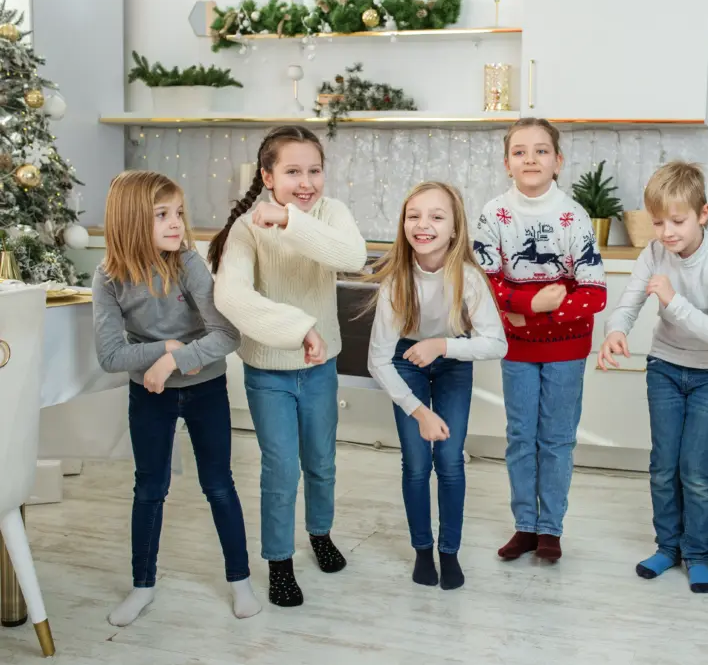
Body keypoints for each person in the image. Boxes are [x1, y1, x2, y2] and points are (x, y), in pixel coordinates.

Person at [208, 125, 367, 607]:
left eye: (314, 170)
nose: (306, 182)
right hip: (268, 370)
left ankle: (320, 533)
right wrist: (299, 328)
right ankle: (279, 561)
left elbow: (352, 256)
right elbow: (231, 295)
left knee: (321, 462)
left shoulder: (331, 213)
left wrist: (290, 220)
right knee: (281, 470)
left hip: (321, 368)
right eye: (292, 171)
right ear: (267, 175)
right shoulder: (245, 228)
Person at [93, 170, 258, 625]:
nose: (177, 225)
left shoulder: (188, 264)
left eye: (179, 214)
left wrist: (175, 360)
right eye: (162, 215)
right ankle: (142, 586)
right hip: (149, 397)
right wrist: (162, 350)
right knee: (149, 489)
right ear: (129, 220)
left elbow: (226, 334)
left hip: (205, 390)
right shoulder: (108, 278)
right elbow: (109, 356)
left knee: (219, 485)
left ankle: (240, 581)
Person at [598, 161, 708, 592]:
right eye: (658, 222)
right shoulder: (654, 252)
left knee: (695, 467)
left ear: (703, 214)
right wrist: (616, 331)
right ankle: (667, 547)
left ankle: (698, 554)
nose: (666, 233)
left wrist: (673, 300)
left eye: (677, 221)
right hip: (665, 366)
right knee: (663, 465)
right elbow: (627, 303)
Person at [474, 117, 607, 562]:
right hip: (516, 346)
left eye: (541, 151)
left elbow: (595, 292)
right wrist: (534, 305)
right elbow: (482, 283)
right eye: (520, 151)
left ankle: (550, 528)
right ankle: (524, 526)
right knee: (519, 436)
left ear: (558, 161)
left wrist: (532, 309)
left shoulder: (575, 216)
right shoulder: (494, 214)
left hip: (567, 348)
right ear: (507, 162)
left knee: (556, 438)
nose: (530, 158)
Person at [365, 181, 507, 590]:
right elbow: (378, 360)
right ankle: (423, 551)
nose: (422, 225)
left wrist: (444, 345)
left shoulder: (469, 278)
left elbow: (496, 342)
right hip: (404, 363)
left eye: (436, 216)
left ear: (454, 229)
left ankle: (450, 552)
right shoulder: (396, 280)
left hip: (451, 363)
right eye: (414, 216)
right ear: (403, 224)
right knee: (416, 464)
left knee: (449, 462)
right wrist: (419, 411)